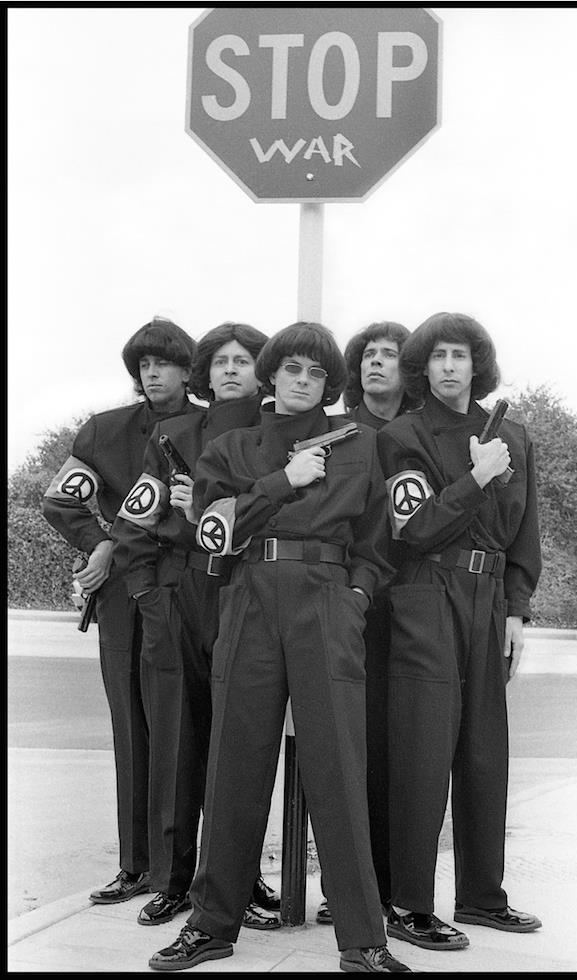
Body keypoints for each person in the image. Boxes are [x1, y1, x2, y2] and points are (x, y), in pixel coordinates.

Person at [149, 322, 411, 973]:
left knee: (338, 768)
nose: (301, 381)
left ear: (329, 383)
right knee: (234, 763)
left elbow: (378, 544)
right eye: (291, 369)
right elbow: (213, 532)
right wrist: (280, 482)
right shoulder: (233, 446)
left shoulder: (364, 446)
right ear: (272, 376)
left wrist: (353, 598)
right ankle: (210, 926)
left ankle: (362, 940)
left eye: (315, 374)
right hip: (248, 597)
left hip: (326, 600)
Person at [376, 311, 543, 952]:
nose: (450, 367)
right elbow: (413, 529)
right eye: (439, 356)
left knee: (483, 747)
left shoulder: (515, 438)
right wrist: (475, 479)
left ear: (479, 365)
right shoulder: (404, 436)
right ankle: (408, 904)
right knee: (424, 747)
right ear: (424, 366)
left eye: (461, 356)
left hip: (490, 594)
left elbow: (526, 530)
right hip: (426, 592)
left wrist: (516, 610)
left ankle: (481, 897)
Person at [111, 322, 281, 930]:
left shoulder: (275, 435)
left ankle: (242, 875)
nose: (232, 369)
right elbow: (136, 520)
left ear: (262, 370)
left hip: (248, 591)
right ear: (204, 373)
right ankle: (173, 879)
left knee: (241, 741)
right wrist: (147, 593)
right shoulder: (173, 433)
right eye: (221, 361)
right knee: (177, 739)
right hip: (181, 592)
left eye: (245, 360)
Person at [43, 316, 200, 904]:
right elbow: (62, 499)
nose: (152, 372)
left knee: (184, 728)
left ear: (188, 369)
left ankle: (183, 872)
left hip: (184, 591)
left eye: (163, 362)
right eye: (143, 364)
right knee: (129, 726)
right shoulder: (103, 432)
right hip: (120, 600)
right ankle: (136, 866)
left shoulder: (206, 428)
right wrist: (100, 544)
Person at [315, 320, 411, 927]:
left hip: (420, 608)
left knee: (404, 751)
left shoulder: (419, 432)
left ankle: (396, 890)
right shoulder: (340, 433)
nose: (376, 363)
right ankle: (346, 890)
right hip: (353, 603)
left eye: (390, 355)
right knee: (351, 749)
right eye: (367, 355)